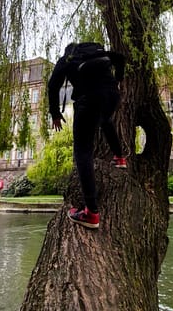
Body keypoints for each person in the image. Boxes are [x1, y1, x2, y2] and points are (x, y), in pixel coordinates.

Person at [47, 42, 127, 229]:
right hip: (111, 96)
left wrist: (55, 113)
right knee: (105, 120)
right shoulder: (98, 54)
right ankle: (120, 157)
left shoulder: (67, 60)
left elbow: (53, 86)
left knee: (82, 151)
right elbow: (120, 59)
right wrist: (118, 79)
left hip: (89, 99)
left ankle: (91, 213)